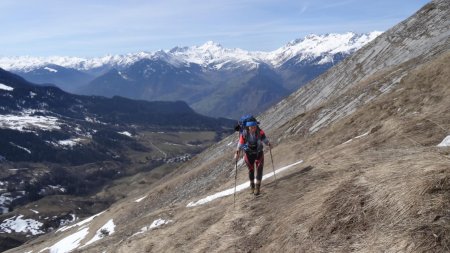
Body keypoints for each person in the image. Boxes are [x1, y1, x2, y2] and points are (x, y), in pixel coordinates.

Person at [234, 121, 271, 195]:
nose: (253, 129)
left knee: (259, 168)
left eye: (254, 127)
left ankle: (257, 188)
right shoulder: (244, 134)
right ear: (248, 128)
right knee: (251, 170)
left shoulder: (259, 132)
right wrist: (237, 153)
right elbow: (240, 144)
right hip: (249, 154)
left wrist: (268, 143)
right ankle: (252, 186)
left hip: (258, 152)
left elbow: (264, 139)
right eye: (251, 127)